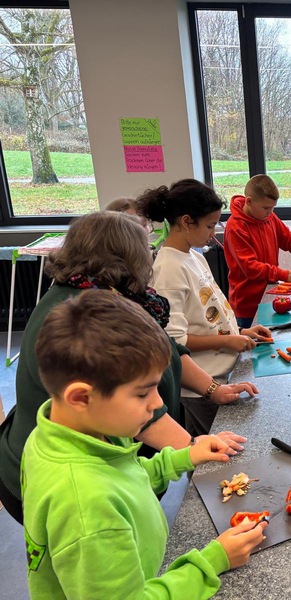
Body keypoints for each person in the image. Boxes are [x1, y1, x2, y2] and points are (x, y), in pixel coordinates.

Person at [0, 211, 254, 524]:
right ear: (125, 258)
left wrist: (213, 389)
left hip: (111, 470)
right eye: (145, 249)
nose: (150, 256)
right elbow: (126, 401)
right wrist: (190, 447)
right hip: (64, 485)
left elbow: (167, 349)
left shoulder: (108, 294)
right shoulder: (86, 313)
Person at [22, 291, 267, 598]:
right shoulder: (87, 508)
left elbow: (125, 476)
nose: (158, 403)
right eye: (142, 393)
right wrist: (213, 560)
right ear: (81, 397)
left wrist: (183, 457)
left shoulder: (62, 434)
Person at [140, 179, 271, 436]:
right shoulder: (168, 269)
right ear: (187, 222)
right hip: (202, 386)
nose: (213, 234)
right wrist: (227, 341)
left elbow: (206, 316)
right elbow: (174, 343)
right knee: (217, 452)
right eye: (210, 226)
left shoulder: (195, 256)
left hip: (221, 374)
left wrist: (239, 333)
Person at [225, 174, 291, 328]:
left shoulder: (269, 217)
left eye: (273, 207)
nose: (270, 212)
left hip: (269, 296)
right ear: (249, 201)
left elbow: (287, 238)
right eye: (266, 208)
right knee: (254, 342)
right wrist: (284, 274)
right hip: (247, 307)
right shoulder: (236, 227)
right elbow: (250, 267)